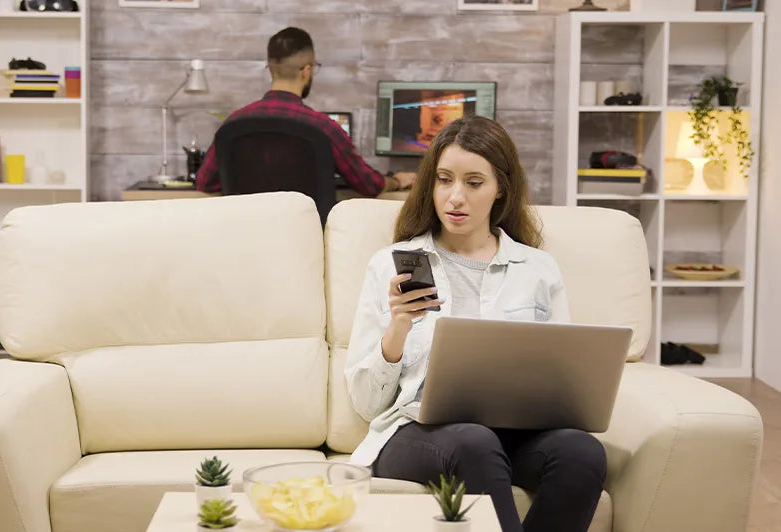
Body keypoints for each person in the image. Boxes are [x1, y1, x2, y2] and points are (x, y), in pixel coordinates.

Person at [344, 116, 606, 532]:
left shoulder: (536, 269)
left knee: (582, 452)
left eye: (473, 182)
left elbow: (564, 381)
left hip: (514, 434)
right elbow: (366, 403)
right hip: (416, 433)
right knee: (473, 441)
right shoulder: (391, 264)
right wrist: (397, 329)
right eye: (444, 180)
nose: (455, 197)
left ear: (501, 187)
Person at [194, 27, 415, 196]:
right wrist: (396, 180)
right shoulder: (324, 127)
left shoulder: (234, 124)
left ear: (270, 69)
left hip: (246, 242)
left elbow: (204, 182)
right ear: (307, 71)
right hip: (306, 244)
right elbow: (368, 184)